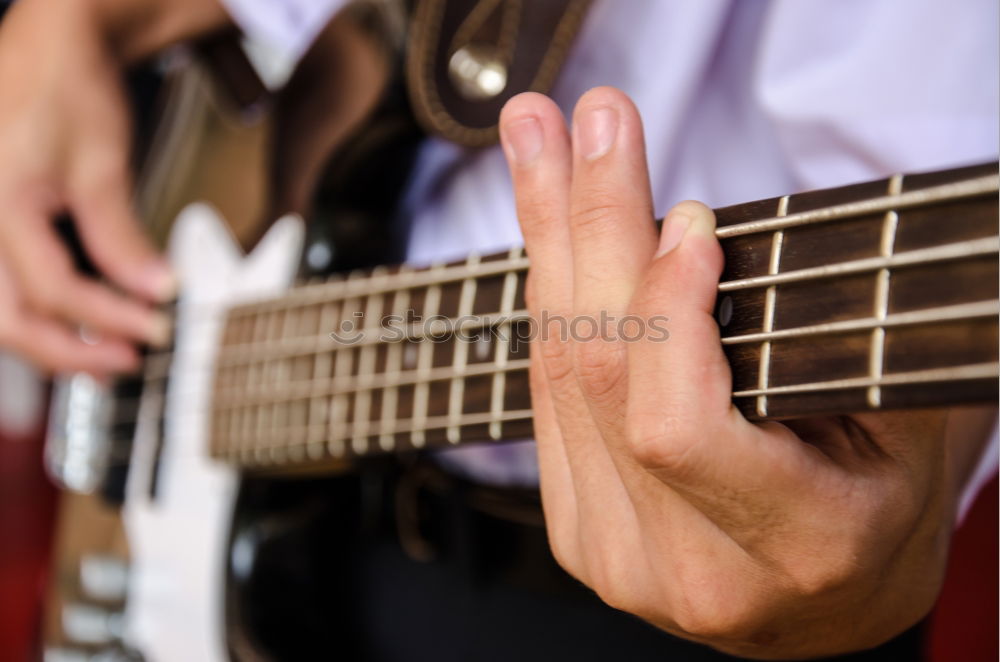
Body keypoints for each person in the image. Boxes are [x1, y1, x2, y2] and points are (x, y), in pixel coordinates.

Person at [0, 0, 996, 659]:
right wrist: (64, 23)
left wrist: (912, 486)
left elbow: (935, 266)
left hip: (623, 589)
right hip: (262, 251)